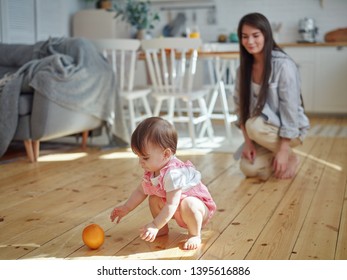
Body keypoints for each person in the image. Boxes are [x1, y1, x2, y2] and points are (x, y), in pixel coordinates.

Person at [110, 117, 217, 250]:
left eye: (145, 157)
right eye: (139, 157)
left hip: (197, 209)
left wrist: (154, 224)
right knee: (153, 198)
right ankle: (162, 228)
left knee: (188, 204)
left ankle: (194, 234)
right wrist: (127, 207)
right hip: (177, 208)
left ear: (166, 154)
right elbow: (140, 191)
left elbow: (172, 204)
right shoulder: (152, 171)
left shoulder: (173, 174)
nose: (140, 162)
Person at [234, 12, 310, 180]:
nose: (250, 41)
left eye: (255, 35)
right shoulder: (243, 70)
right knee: (248, 168)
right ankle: (282, 160)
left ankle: (288, 155)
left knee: (254, 125)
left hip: (290, 130)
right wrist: (247, 142)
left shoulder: (283, 65)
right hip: (261, 131)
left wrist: (283, 149)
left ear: (266, 35)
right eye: (245, 36)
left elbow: (290, 109)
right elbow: (241, 108)